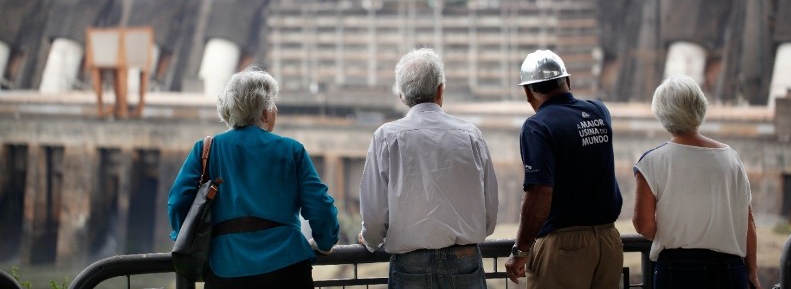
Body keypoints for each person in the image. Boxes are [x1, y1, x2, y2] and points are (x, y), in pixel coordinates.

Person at [168, 66, 339, 288]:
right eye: (273, 103)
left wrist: (191, 242)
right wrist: (325, 243)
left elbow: (178, 202)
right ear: (266, 113)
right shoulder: (291, 150)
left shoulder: (206, 150)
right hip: (287, 266)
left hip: (227, 267)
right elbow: (320, 207)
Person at [359, 48, 499, 289]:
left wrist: (370, 240)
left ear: (402, 96)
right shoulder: (471, 135)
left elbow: (374, 213)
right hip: (465, 259)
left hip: (410, 264)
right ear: (440, 90)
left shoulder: (385, 138)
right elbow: (490, 208)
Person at [505, 49, 623, 289]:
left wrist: (521, 249)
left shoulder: (537, 126)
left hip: (565, 247)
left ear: (528, 92)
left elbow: (539, 193)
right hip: (609, 242)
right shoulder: (599, 112)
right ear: (567, 81)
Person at [632, 75, 761, 289]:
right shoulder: (731, 157)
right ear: (700, 107)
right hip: (731, 271)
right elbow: (748, 223)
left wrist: (676, 235)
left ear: (662, 114)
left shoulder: (652, 162)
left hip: (677, 271)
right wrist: (753, 273)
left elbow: (643, 225)